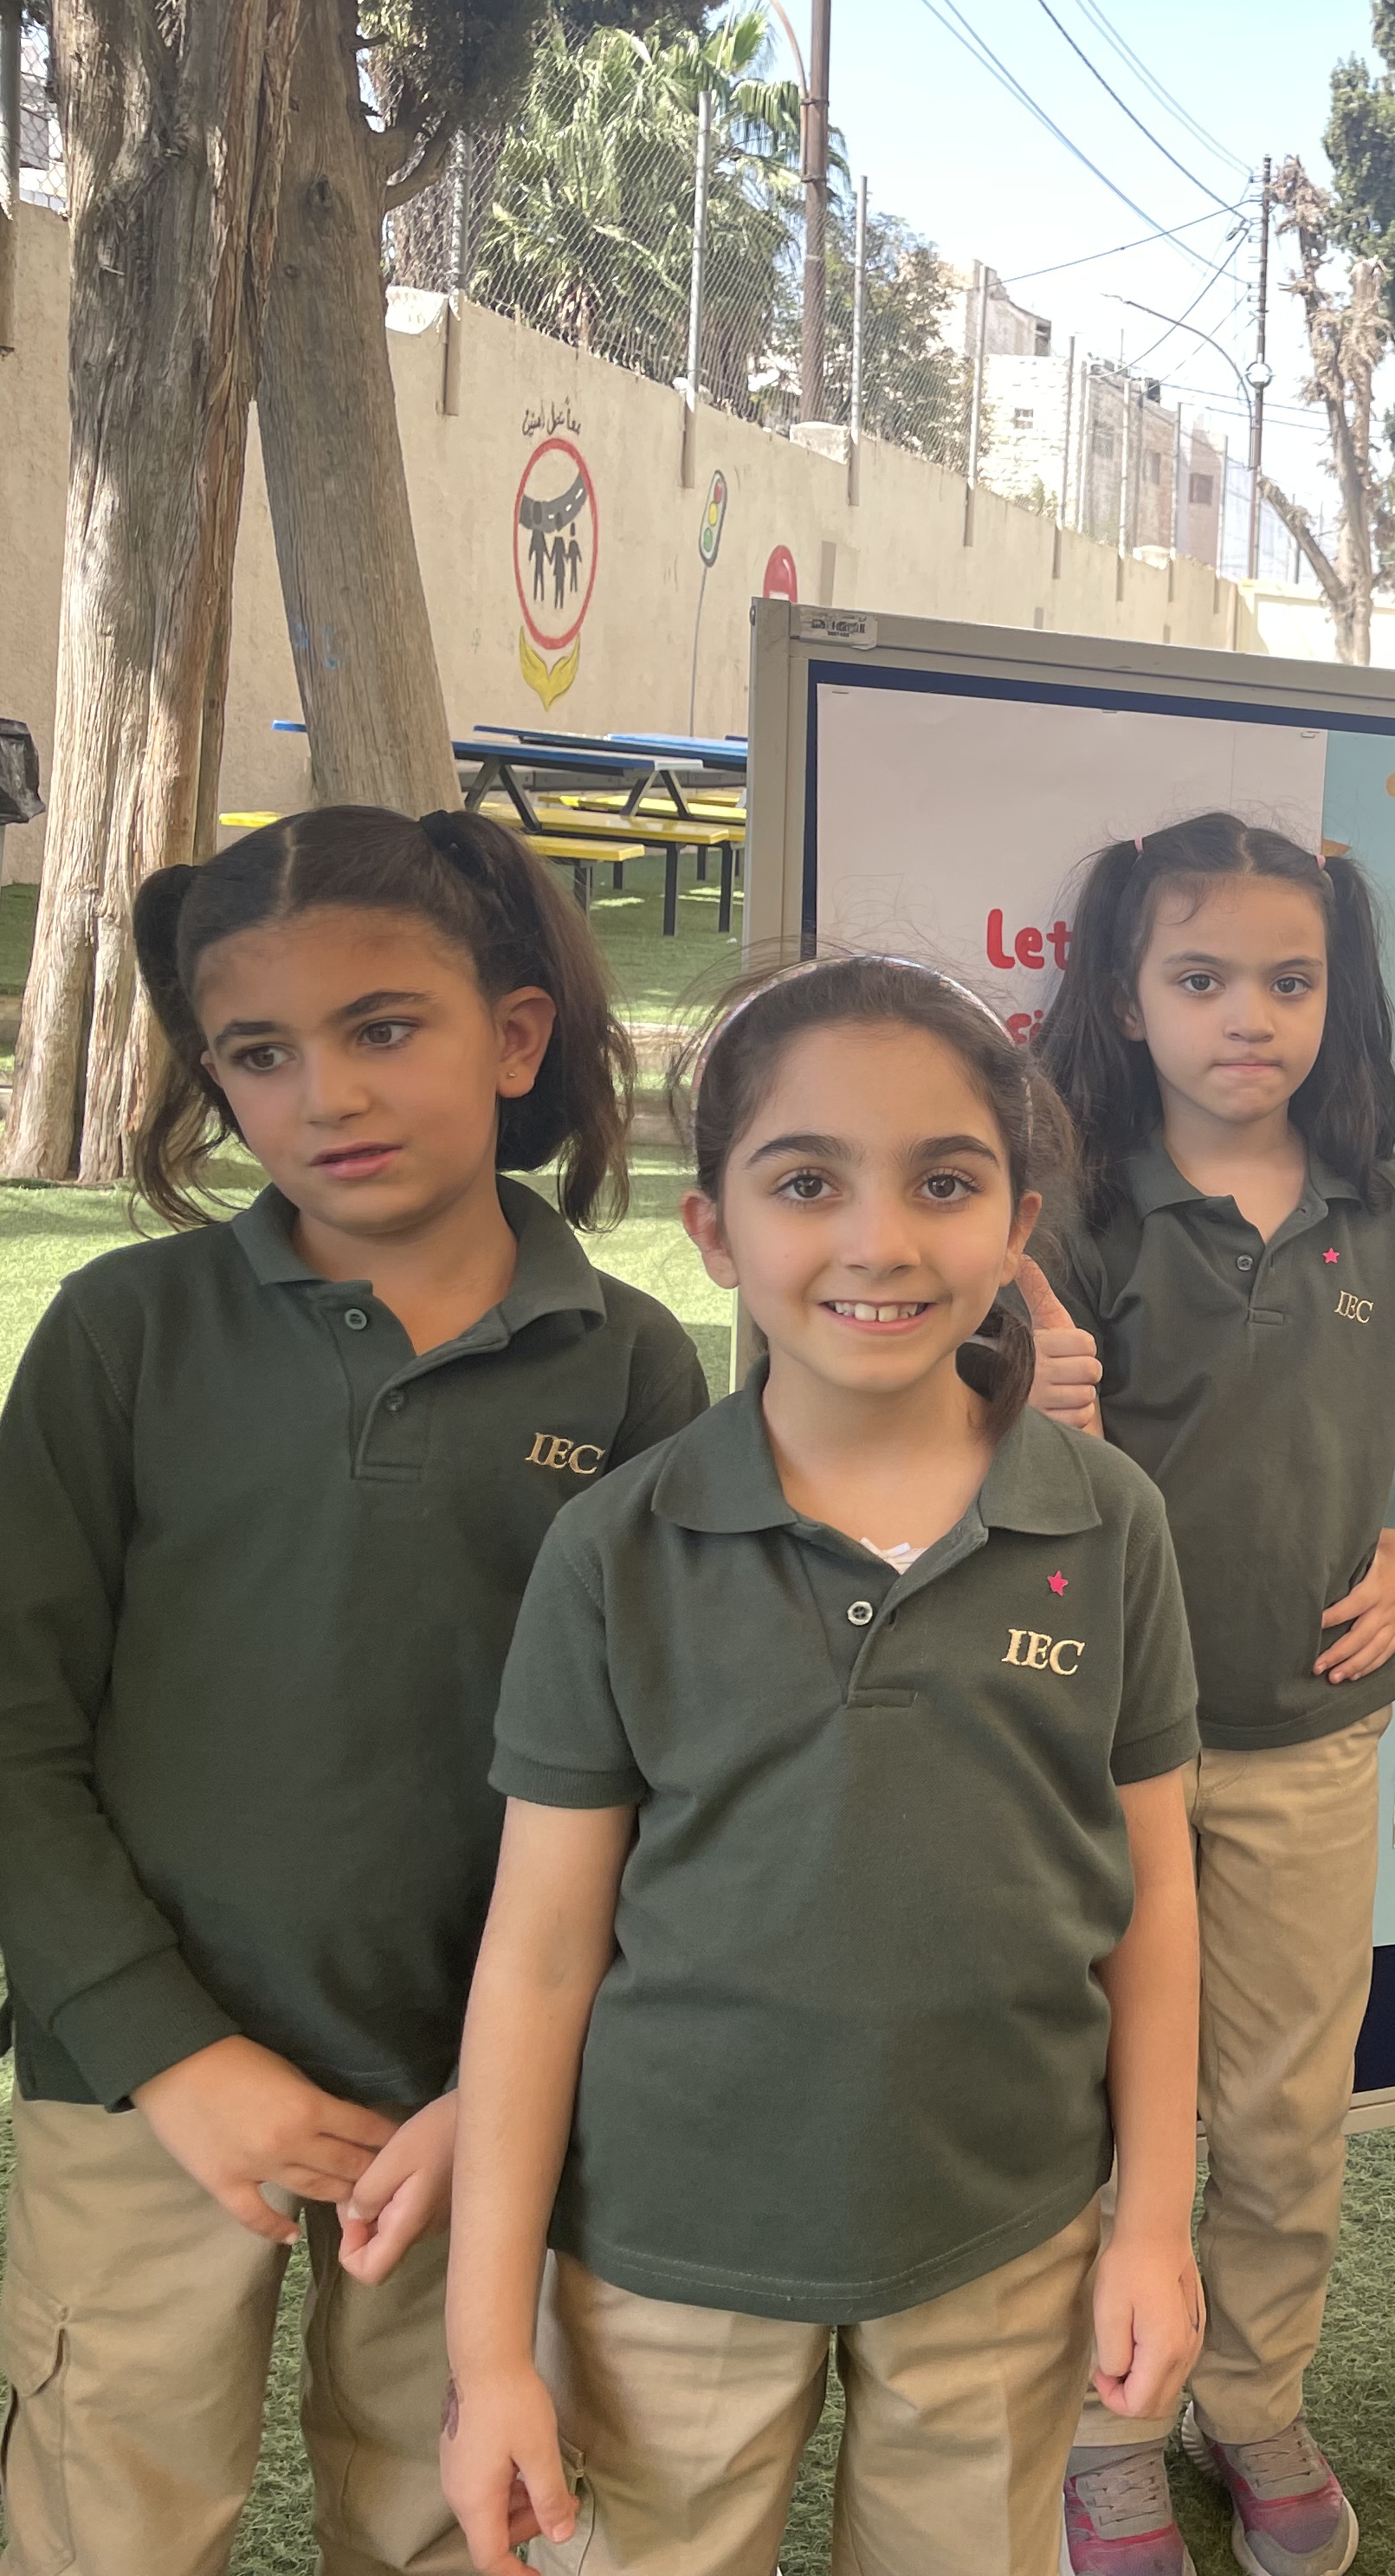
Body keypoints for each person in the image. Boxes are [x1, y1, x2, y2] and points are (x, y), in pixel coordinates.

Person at [0, 806, 702, 2576]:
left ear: (514, 1037)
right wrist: (163, 2048)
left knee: (448, 2518)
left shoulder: (631, 1367)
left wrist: (502, 2090)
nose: (325, 1096)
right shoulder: (124, 1331)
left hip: (475, 2099)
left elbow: (679, 1774)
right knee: (109, 2522)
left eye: (382, 1028)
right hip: (138, 2084)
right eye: (259, 1054)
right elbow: (0, 1725)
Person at [439, 955, 1204, 2573]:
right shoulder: (615, 1550)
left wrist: (1152, 2218)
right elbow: (540, 1956)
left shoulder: (1109, 1522)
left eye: (945, 1182)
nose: (879, 1240)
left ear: (1018, 1223)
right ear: (714, 1229)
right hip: (667, 2246)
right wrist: (489, 2347)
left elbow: (1152, 1903)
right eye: (805, 1183)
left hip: (1003, 2228)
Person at [1029, 814, 1395, 2576]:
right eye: (1201, 978)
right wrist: (1032, 1401)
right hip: (1099, 1759)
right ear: (1126, 998)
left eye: (1290, 981)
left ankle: (1251, 2401)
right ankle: (1105, 2434)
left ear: (1338, 999)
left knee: (1286, 2112)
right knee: (1105, 2113)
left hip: (1313, 1745)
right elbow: (977, 1463)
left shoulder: (1388, 1213)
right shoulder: (1076, 1217)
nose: (1250, 1015)